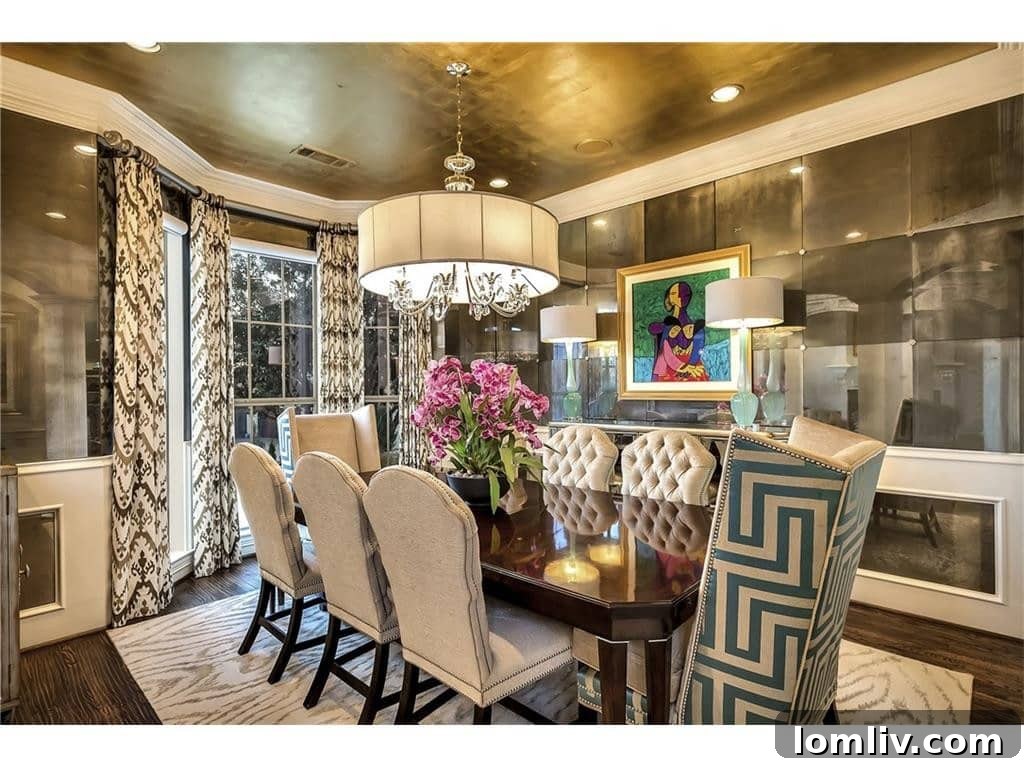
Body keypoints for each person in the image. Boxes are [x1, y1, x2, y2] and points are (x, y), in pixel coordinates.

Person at [648, 280, 709, 382]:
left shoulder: (693, 327)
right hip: (669, 367)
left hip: (690, 366)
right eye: (673, 293)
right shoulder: (667, 326)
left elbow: (698, 342)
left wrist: (690, 365)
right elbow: (655, 333)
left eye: (678, 293)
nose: (678, 297)